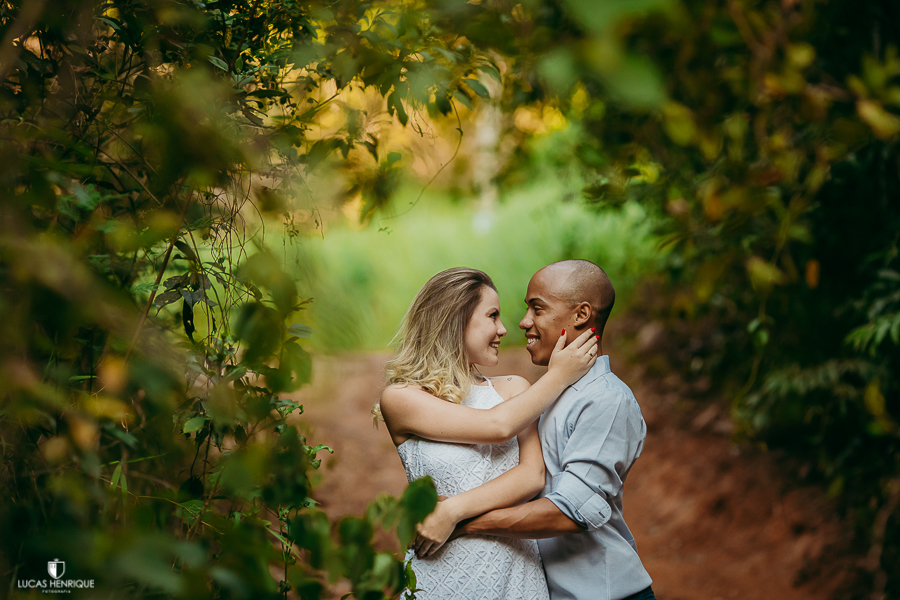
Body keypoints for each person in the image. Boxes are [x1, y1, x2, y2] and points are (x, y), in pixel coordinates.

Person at [376, 266, 599, 600]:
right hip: (440, 576)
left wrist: (452, 512)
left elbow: (532, 476)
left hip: (514, 574)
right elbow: (496, 427)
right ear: (455, 319)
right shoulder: (401, 399)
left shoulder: (513, 391)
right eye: (492, 316)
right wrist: (558, 375)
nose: (504, 329)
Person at [452, 260, 656, 600]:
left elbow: (571, 512)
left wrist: (465, 521)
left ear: (581, 315)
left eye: (538, 309)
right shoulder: (548, 395)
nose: (523, 322)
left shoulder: (606, 400)